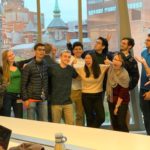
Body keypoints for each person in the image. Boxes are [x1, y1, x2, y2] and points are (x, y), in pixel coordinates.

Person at [74, 53, 109, 128]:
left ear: (94, 59)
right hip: (86, 96)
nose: (87, 60)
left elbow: (115, 66)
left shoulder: (101, 67)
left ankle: (91, 129)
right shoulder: (81, 69)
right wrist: (72, 62)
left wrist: (109, 62)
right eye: (86, 58)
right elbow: (69, 67)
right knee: (89, 118)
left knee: (101, 117)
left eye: (89, 58)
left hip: (98, 95)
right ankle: (92, 135)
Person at [49, 50, 78, 125]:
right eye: (65, 56)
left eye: (69, 57)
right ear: (61, 57)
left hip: (68, 102)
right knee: (56, 125)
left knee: (71, 124)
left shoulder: (71, 69)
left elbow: (79, 77)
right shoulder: (52, 68)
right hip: (55, 102)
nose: (67, 58)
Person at [21, 43, 48, 121]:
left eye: (43, 50)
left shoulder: (45, 64)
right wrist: (25, 99)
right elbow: (23, 84)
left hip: (43, 99)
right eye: (39, 50)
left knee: (44, 123)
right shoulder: (28, 66)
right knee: (31, 124)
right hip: (31, 99)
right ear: (35, 51)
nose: (42, 52)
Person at [106, 53, 130, 132]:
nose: (115, 62)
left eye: (118, 60)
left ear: (122, 63)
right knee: (114, 123)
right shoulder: (110, 69)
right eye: (114, 59)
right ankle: (118, 142)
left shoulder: (124, 74)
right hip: (111, 98)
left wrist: (117, 107)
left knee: (121, 123)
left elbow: (122, 93)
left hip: (122, 100)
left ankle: (126, 141)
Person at [2, 50, 23, 118]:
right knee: (7, 116)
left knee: (19, 117)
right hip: (7, 95)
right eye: (9, 56)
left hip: (18, 95)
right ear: (6, 58)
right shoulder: (3, 69)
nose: (12, 57)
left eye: (12, 54)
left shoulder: (18, 66)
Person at [69, 42, 85, 126]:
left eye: (80, 49)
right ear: (73, 50)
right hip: (71, 90)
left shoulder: (84, 61)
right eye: (76, 49)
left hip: (82, 90)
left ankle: (80, 131)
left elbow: (85, 76)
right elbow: (67, 73)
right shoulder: (69, 59)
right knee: (69, 114)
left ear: (82, 50)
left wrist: (79, 77)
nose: (78, 50)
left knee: (80, 114)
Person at [139, 33, 150, 135]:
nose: (145, 41)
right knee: (145, 115)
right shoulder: (143, 52)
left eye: (148, 40)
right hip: (143, 87)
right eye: (146, 40)